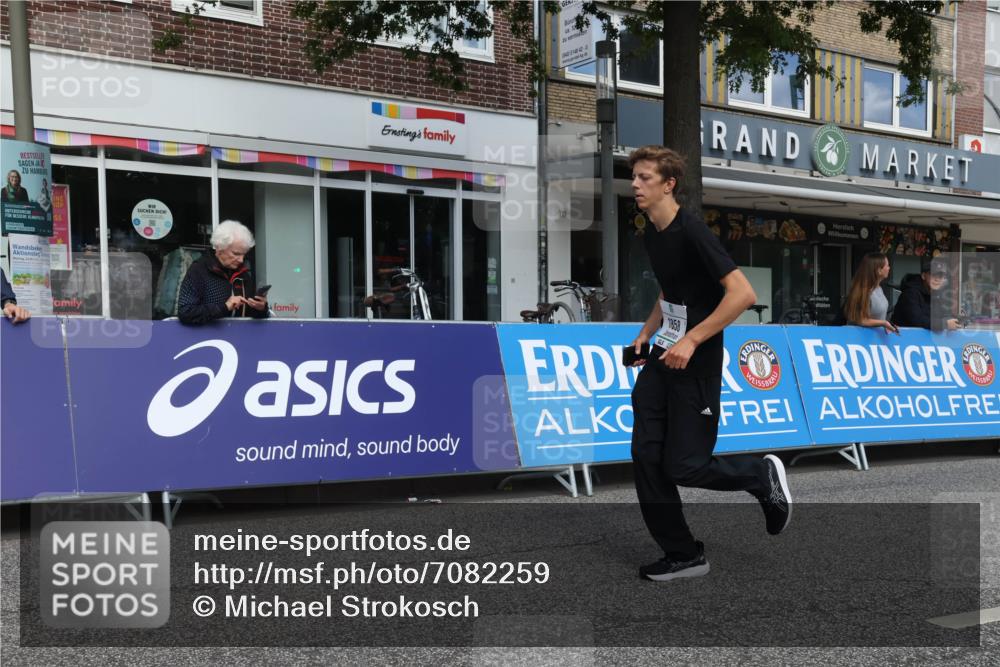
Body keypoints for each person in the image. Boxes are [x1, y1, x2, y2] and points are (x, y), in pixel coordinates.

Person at [626, 146, 792, 583]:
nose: (635, 185)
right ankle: (682, 554)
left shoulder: (692, 231)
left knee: (685, 465)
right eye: (634, 177)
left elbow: (742, 294)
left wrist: (694, 339)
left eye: (645, 178)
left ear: (668, 184)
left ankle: (759, 474)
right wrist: (647, 332)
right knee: (645, 454)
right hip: (664, 354)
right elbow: (671, 291)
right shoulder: (652, 233)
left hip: (695, 361)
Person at [177, 220, 269, 325]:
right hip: (208, 339)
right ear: (219, 248)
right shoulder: (199, 270)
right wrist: (224, 307)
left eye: (244, 254)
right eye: (236, 254)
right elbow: (185, 312)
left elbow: (250, 316)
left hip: (239, 338)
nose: (241, 260)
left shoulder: (243, 274)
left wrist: (261, 309)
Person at [891, 257, 961, 331]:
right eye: (934, 275)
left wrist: (955, 320)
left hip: (921, 340)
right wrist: (945, 324)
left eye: (940, 276)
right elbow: (916, 320)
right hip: (901, 339)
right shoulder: (911, 293)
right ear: (923, 276)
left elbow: (939, 316)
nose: (937, 279)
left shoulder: (936, 294)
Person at [844, 252, 898, 334]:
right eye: (887, 265)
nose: (889, 268)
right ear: (879, 270)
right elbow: (860, 320)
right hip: (858, 340)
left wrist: (888, 325)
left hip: (874, 340)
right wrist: (883, 323)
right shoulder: (863, 291)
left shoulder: (879, 289)